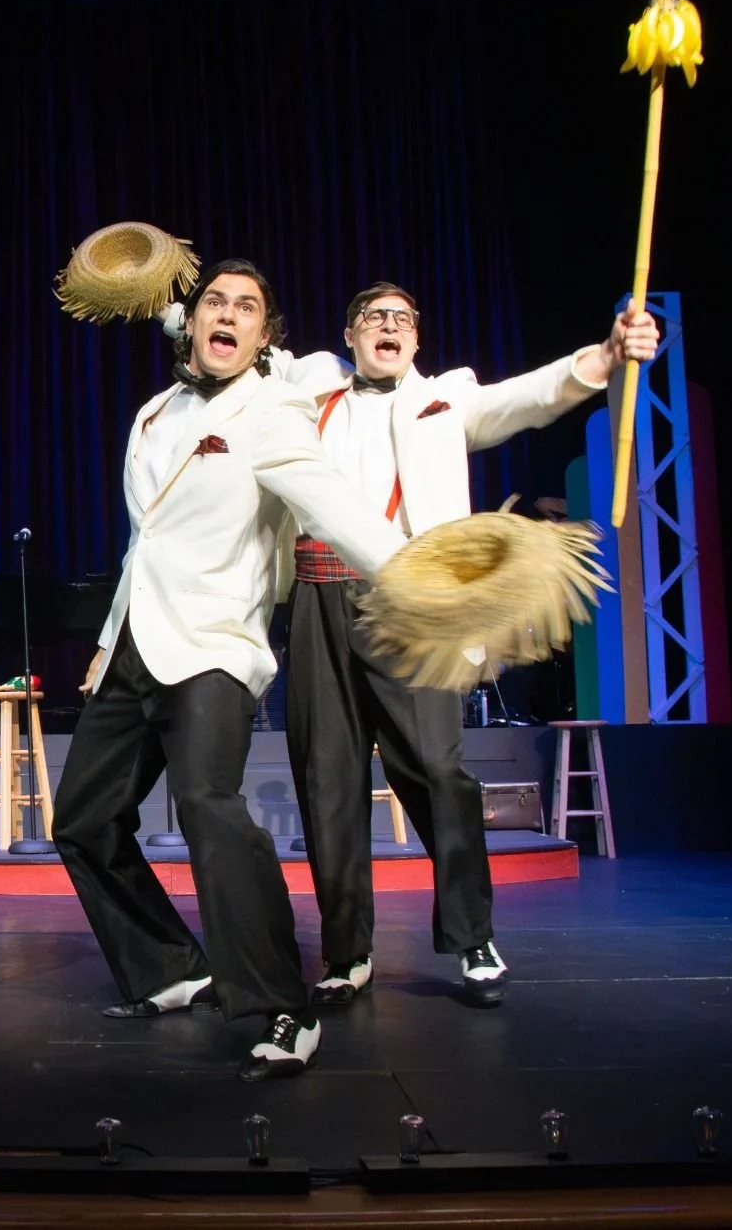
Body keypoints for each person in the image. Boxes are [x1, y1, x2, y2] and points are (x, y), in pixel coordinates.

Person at [53, 260, 409, 1082]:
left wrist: (411, 570)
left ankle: (282, 1005)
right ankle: (171, 969)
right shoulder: (151, 412)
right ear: (193, 321)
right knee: (82, 818)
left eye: (248, 306)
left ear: (262, 335)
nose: (229, 314)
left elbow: (329, 500)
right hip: (136, 640)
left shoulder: (273, 409)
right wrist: (109, 642)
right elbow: (144, 543)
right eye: (216, 300)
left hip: (213, 641)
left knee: (208, 803)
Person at [269, 282, 657, 1007]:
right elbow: (251, 356)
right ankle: (347, 951)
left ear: (416, 338)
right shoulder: (311, 382)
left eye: (403, 319)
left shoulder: (447, 398)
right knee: (328, 781)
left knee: (439, 773)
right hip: (320, 597)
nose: (389, 327)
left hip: (413, 603)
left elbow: (527, 398)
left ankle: (473, 933)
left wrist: (604, 357)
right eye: (374, 318)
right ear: (350, 334)